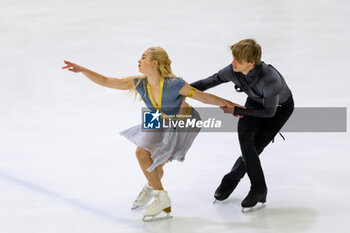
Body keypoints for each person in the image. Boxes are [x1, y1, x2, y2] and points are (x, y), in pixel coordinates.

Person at [62, 46, 243, 220]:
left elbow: (204, 97)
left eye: (143, 57)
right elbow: (107, 81)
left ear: (155, 63)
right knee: (142, 153)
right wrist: (83, 70)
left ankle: (152, 187)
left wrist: (233, 107)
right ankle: (160, 195)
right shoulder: (140, 83)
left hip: (184, 123)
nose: (139, 60)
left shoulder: (175, 84)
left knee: (156, 165)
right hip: (158, 117)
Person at [190, 39, 294, 209]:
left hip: (278, 110)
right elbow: (205, 83)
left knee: (256, 147)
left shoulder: (270, 79)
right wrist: (181, 90)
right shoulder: (233, 70)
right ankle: (254, 186)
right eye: (233, 58)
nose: (233, 63)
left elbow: (269, 112)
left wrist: (236, 111)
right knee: (246, 142)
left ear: (251, 63)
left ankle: (244, 183)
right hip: (254, 103)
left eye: (238, 60)